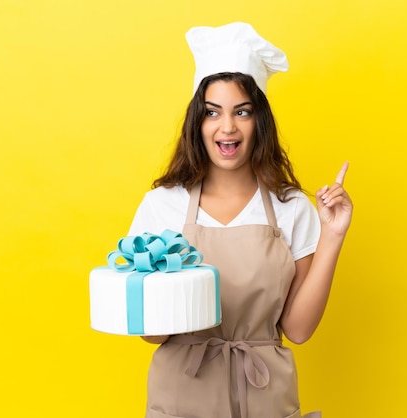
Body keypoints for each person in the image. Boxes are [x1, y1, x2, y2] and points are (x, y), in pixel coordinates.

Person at [127, 22, 353, 418]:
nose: (227, 127)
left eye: (241, 112)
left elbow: (298, 330)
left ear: (258, 121)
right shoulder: (162, 206)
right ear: (197, 122)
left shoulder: (291, 207)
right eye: (212, 112)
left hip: (265, 396)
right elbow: (152, 334)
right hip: (183, 397)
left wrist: (332, 236)